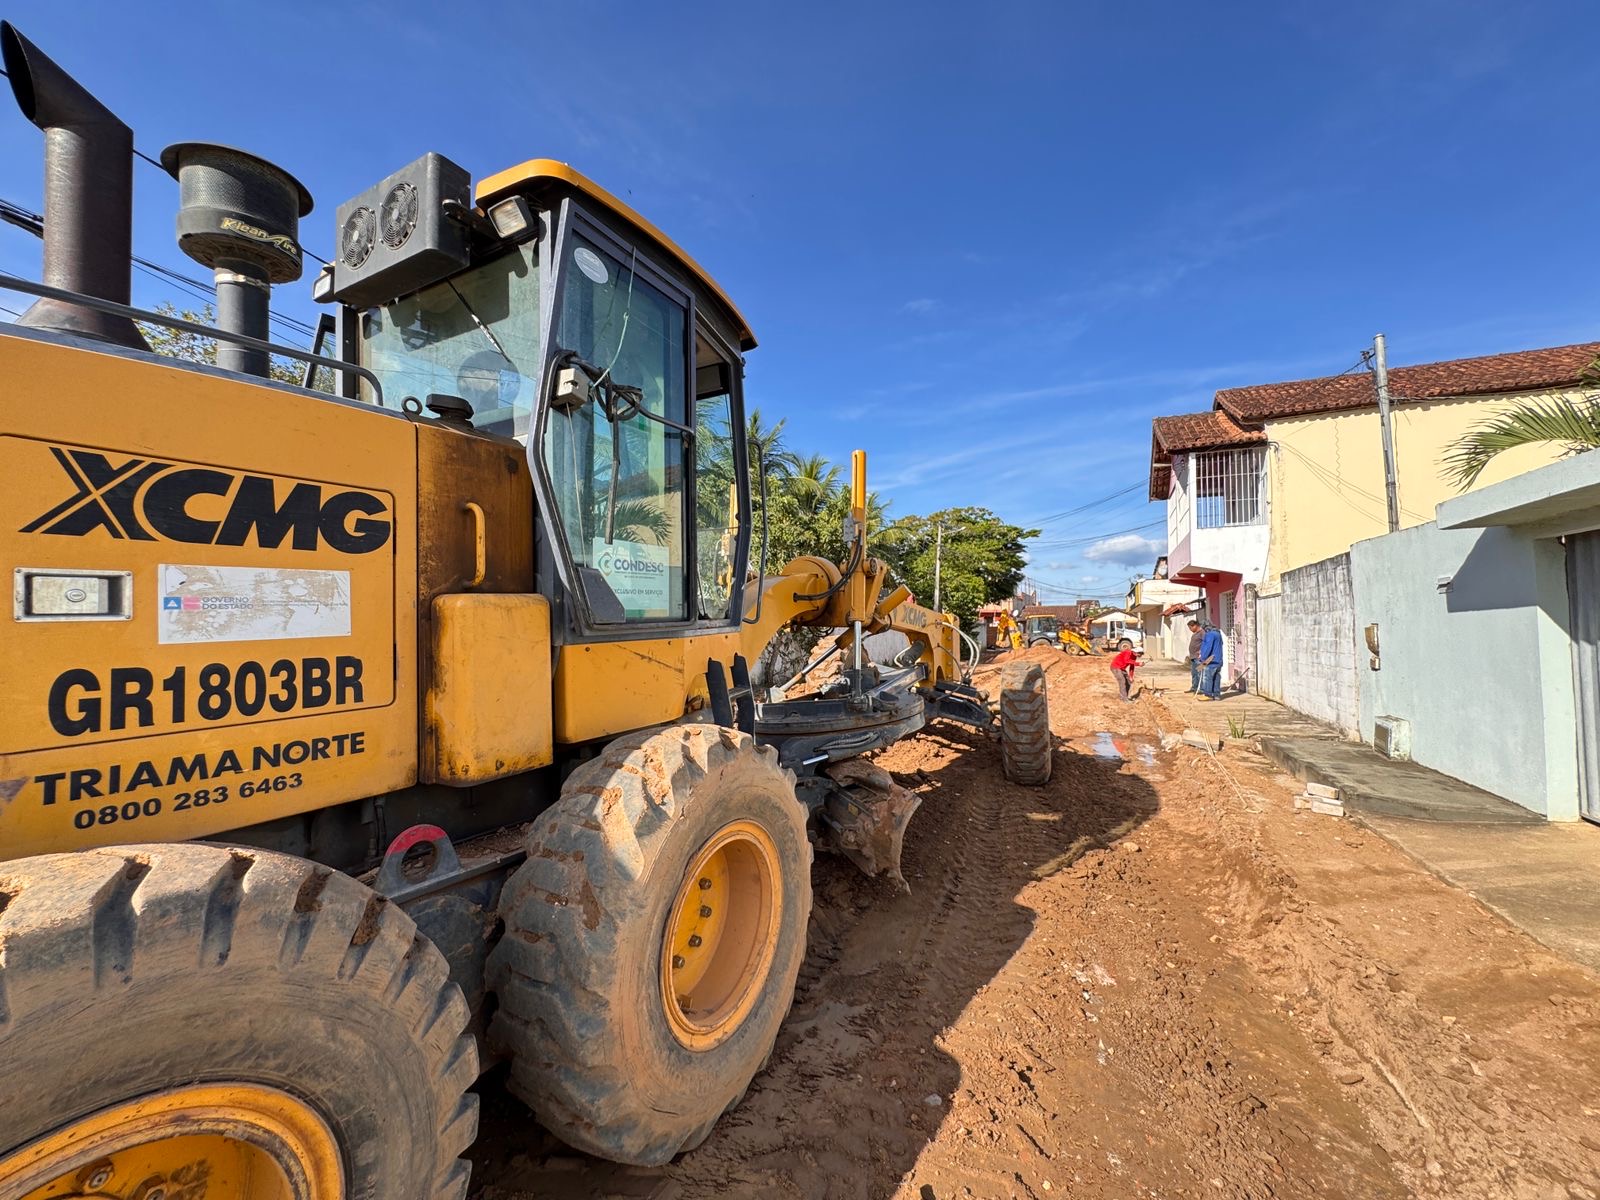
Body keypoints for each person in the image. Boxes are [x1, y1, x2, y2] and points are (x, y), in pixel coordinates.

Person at [1197, 622, 1225, 701]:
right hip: (1218, 659)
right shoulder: (1218, 634)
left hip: (1210, 661)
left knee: (1207, 678)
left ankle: (1208, 695)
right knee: (1216, 678)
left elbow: (1208, 647)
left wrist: (1202, 658)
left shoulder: (1210, 635)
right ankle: (1216, 695)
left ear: (1205, 628)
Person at [1185, 618, 1204, 693]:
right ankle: (1194, 687)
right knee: (1194, 673)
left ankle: (1201, 689)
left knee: (1200, 673)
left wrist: (1201, 652)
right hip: (1193, 657)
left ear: (1195, 625)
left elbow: (1206, 643)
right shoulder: (1195, 634)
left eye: (1190, 628)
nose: (1190, 629)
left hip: (1198, 657)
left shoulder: (1202, 633)